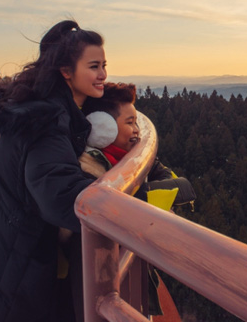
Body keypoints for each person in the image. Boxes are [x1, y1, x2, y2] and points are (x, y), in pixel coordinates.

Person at [0, 20, 106, 322]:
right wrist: (129, 200)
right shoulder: (47, 121)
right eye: (93, 66)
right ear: (66, 71)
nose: (103, 74)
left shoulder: (44, 106)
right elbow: (60, 197)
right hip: (9, 262)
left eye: (104, 65)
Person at [58, 82, 195, 318]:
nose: (137, 131)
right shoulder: (88, 171)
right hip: (91, 278)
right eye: (129, 123)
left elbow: (177, 182)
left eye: (136, 123)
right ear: (103, 128)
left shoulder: (125, 157)